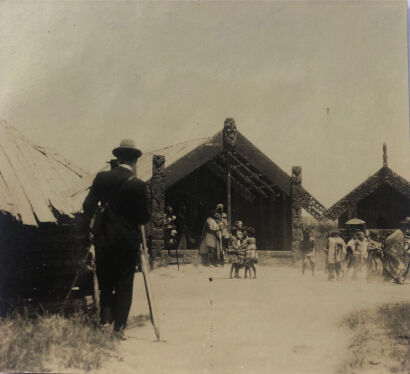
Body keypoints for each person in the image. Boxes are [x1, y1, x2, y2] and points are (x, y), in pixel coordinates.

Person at [81, 139, 150, 337]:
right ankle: (119, 328)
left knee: (106, 284)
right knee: (124, 284)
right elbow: (144, 217)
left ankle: (105, 322)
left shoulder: (102, 178)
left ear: (117, 158)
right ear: (135, 161)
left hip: (104, 240)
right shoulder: (138, 185)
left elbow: (87, 206)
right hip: (128, 243)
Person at [383, 218, 410, 284]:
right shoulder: (398, 233)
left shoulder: (401, 233)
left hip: (398, 252)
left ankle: (398, 278)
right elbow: (388, 240)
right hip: (395, 252)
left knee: (399, 265)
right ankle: (397, 278)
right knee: (397, 265)